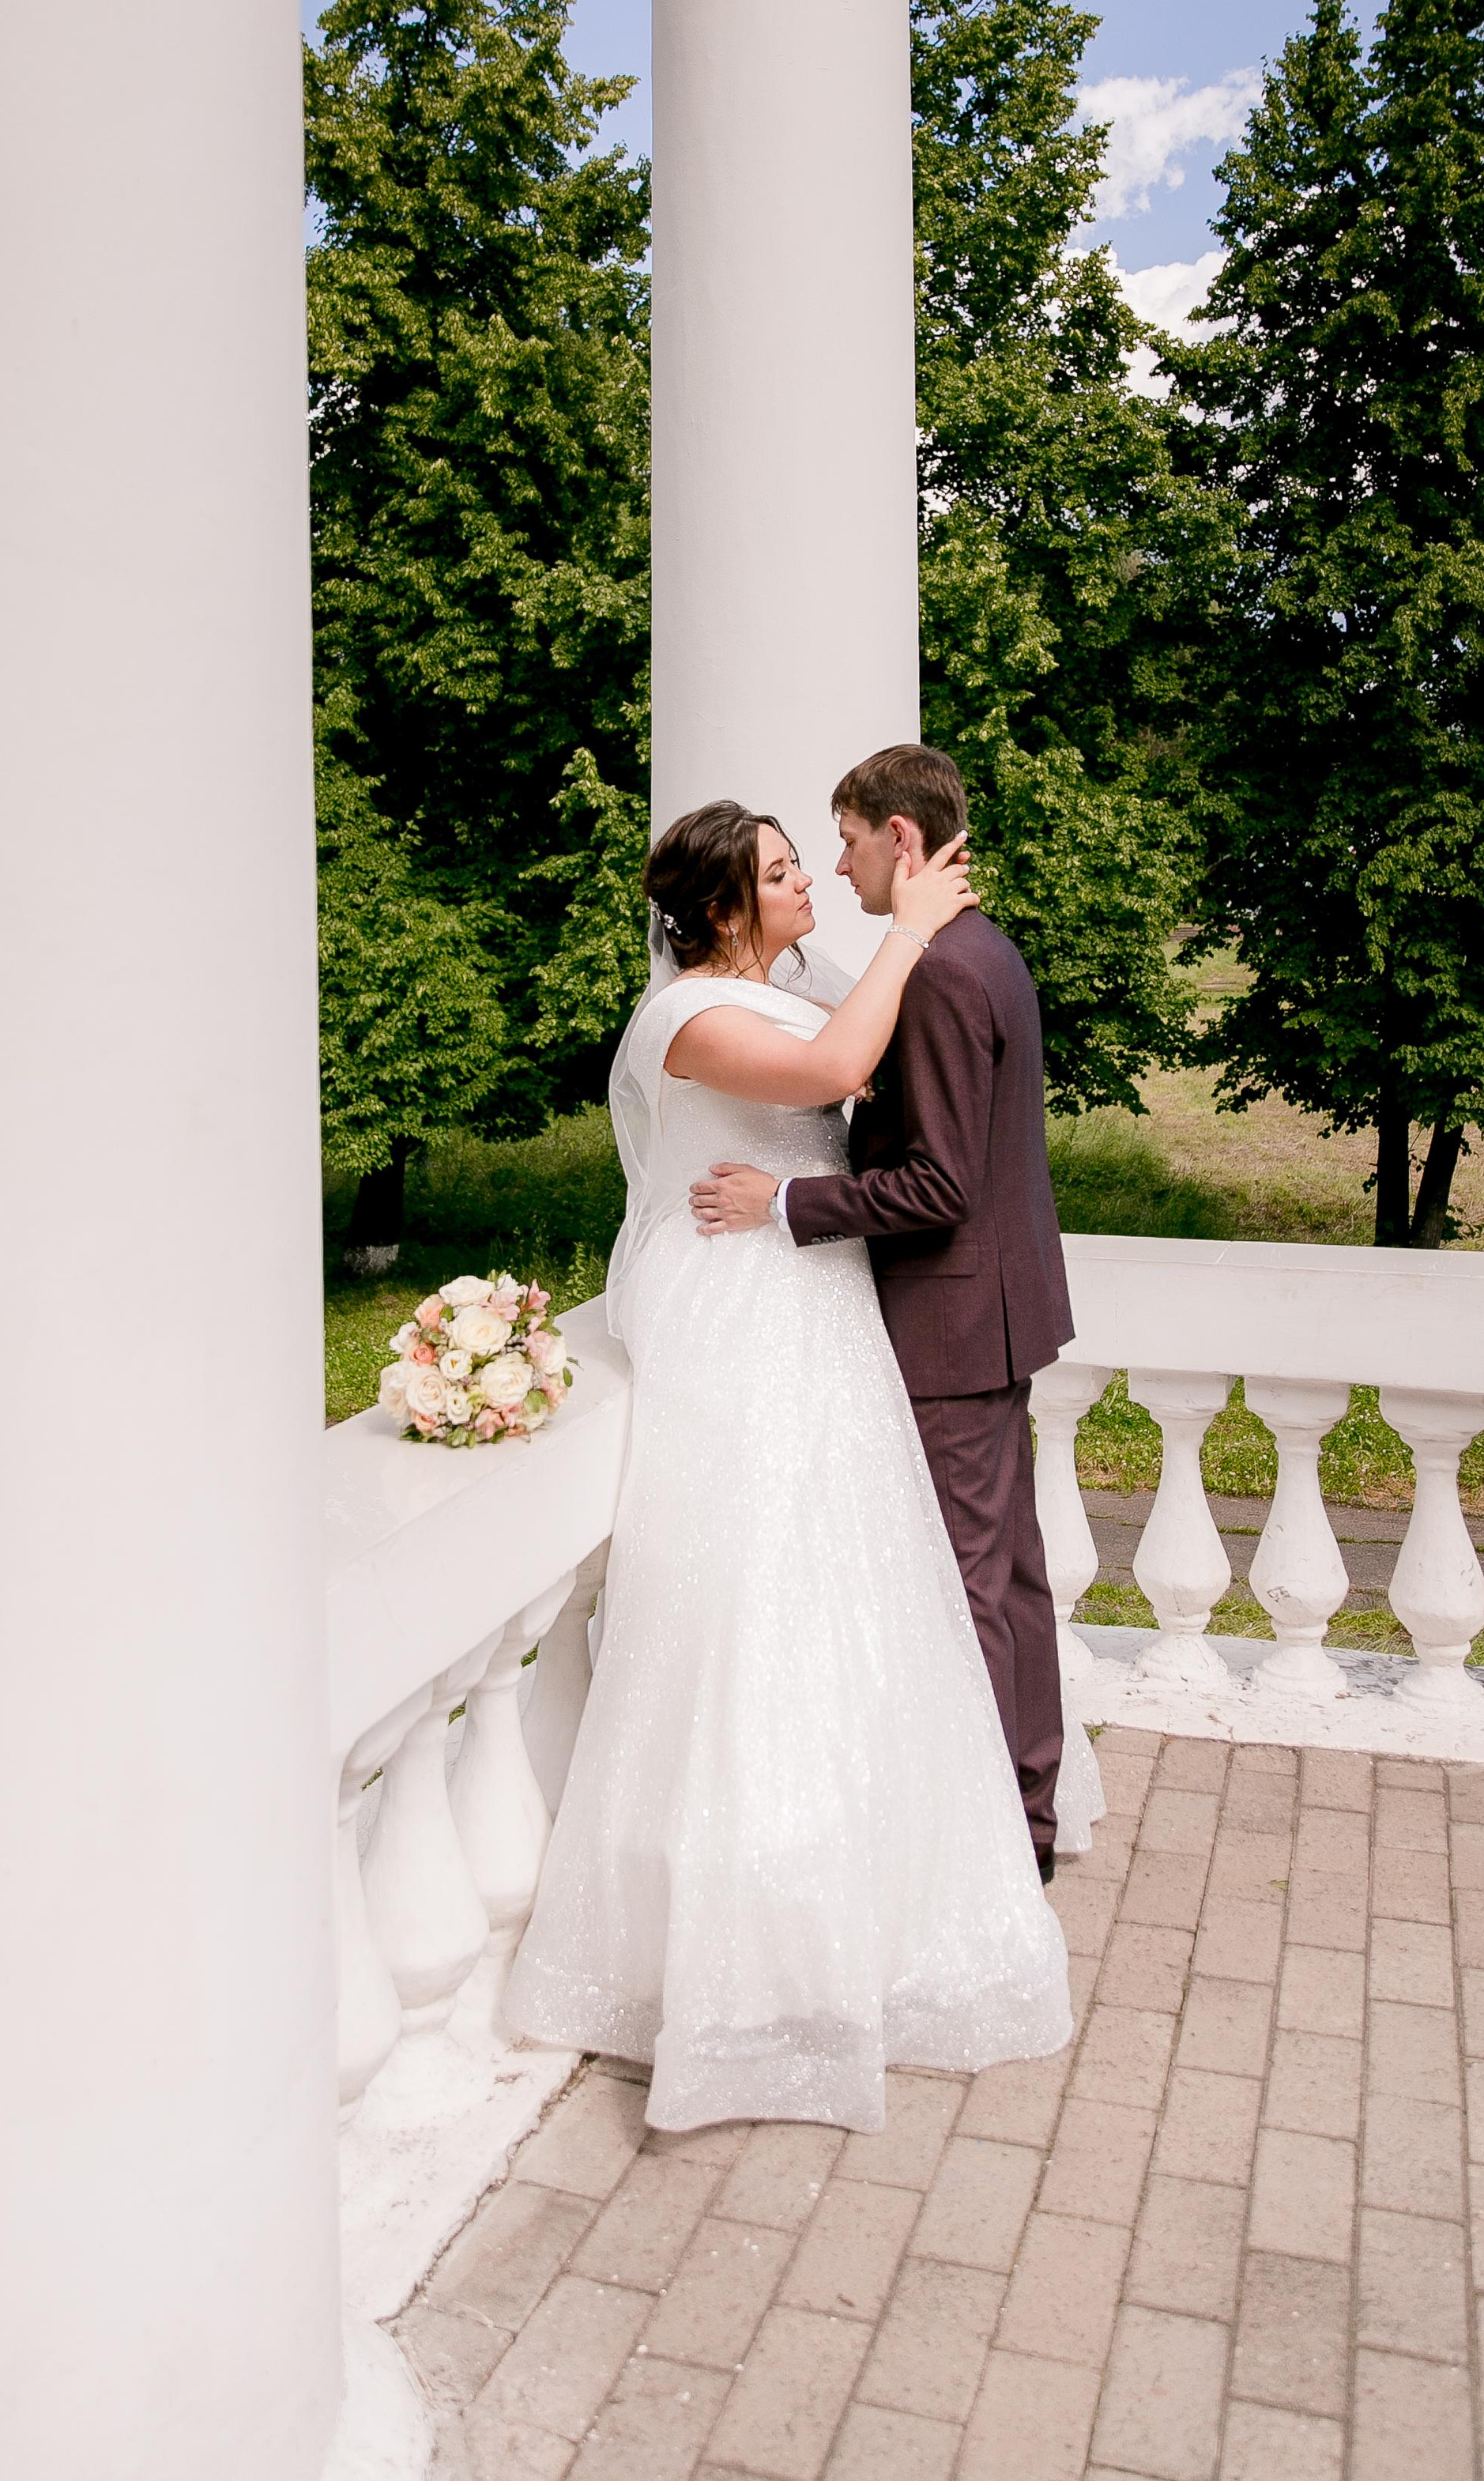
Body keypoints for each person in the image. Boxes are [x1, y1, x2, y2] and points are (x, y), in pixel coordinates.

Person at [505, 799, 1072, 2133]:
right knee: (751, 1589)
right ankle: (738, 1934)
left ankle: (873, 1878)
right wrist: (913, 930)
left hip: (819, 1309)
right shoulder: (685, 1019)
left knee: (863, 1585)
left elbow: (872, 1060)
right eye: (777, 871)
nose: (809, 881)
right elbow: (828, 1075)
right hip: (738, 1312)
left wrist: (903, 957)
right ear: (717, 909)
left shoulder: (796, 975)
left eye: (807, 857)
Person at [688, 745, 1102, 1883]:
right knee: (1007, 1575)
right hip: (994, 1314)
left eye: (849, 837)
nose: (840, 862)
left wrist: (785, 1201)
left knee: (972, 1583)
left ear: (901, 840)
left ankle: (1008, 1838)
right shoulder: (980, 953)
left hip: (952, 1323)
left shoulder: (941, 974)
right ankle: (1028, 1807)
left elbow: (941, 1186)